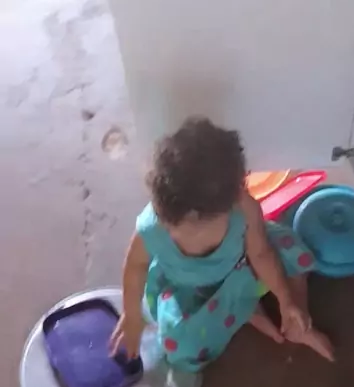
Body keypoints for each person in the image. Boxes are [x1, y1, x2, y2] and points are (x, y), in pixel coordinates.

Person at [110, 117, 334, 372]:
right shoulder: (152, 226)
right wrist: (132, 316)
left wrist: (285, 299)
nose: (192, 232)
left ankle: (295, 320)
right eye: (180, 227)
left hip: (241, 268)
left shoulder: (244, 208)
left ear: (233, 200)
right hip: (188, 290)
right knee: (180, 343)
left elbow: (261, 254)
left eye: (202, 225)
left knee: (292, 249)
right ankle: (247, 311)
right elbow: (136, 266)